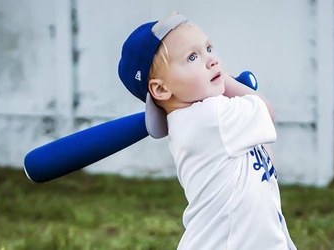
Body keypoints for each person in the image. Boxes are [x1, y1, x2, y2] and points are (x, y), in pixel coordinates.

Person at [118, 13, 297, 250]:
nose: (212, 61)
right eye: (192, 57)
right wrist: (230, 82)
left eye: (209, 48)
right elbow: (266, 110)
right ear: (161, 89)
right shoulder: (212, 116)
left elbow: (265, 163)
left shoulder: (195, 121)